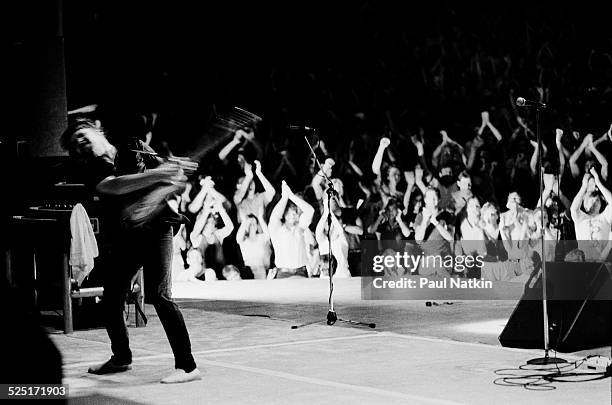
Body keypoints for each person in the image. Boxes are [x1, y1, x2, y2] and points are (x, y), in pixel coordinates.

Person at [60, 118, 201, 384]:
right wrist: (161, 174)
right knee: (112, 299)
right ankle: (121, 358)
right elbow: (115, 185)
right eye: (74, 143)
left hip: (157, 229)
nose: (79, 141)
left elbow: (175, 183)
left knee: (160, 296)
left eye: (80, 132)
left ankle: (188, 366)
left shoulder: (135, 147)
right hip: (126, 237)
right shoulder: (92, 168)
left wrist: (172, 176)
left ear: (97, 127)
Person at [268, 181, 315, 278]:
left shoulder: (300, 228)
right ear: (284, 215)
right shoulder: (276, 229)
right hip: (283, 273)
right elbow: (275, 217)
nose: (293, 216)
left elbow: (310, 211)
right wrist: (284, 198)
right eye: (290, 213)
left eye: (295, 213)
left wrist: (292, 196)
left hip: (301, 272)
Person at [571, 168, 612, 261]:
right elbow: (573, 209)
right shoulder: (581, 218)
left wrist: (598, 183)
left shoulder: (605, 217)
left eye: (597, 199)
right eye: (591, 198)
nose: (594, 201)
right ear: (584, 204)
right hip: (583, 265)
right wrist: (584, 186)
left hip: (603, 265)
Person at [236, 213, 272, 279]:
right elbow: (238, 238)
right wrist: (245, 222)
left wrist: (260, 219)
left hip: (261, 269)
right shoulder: (244, 240)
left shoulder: (261, 237)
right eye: (249, 224)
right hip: (249, 270)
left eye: (254, 223)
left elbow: (268, 235)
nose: (252, 225)